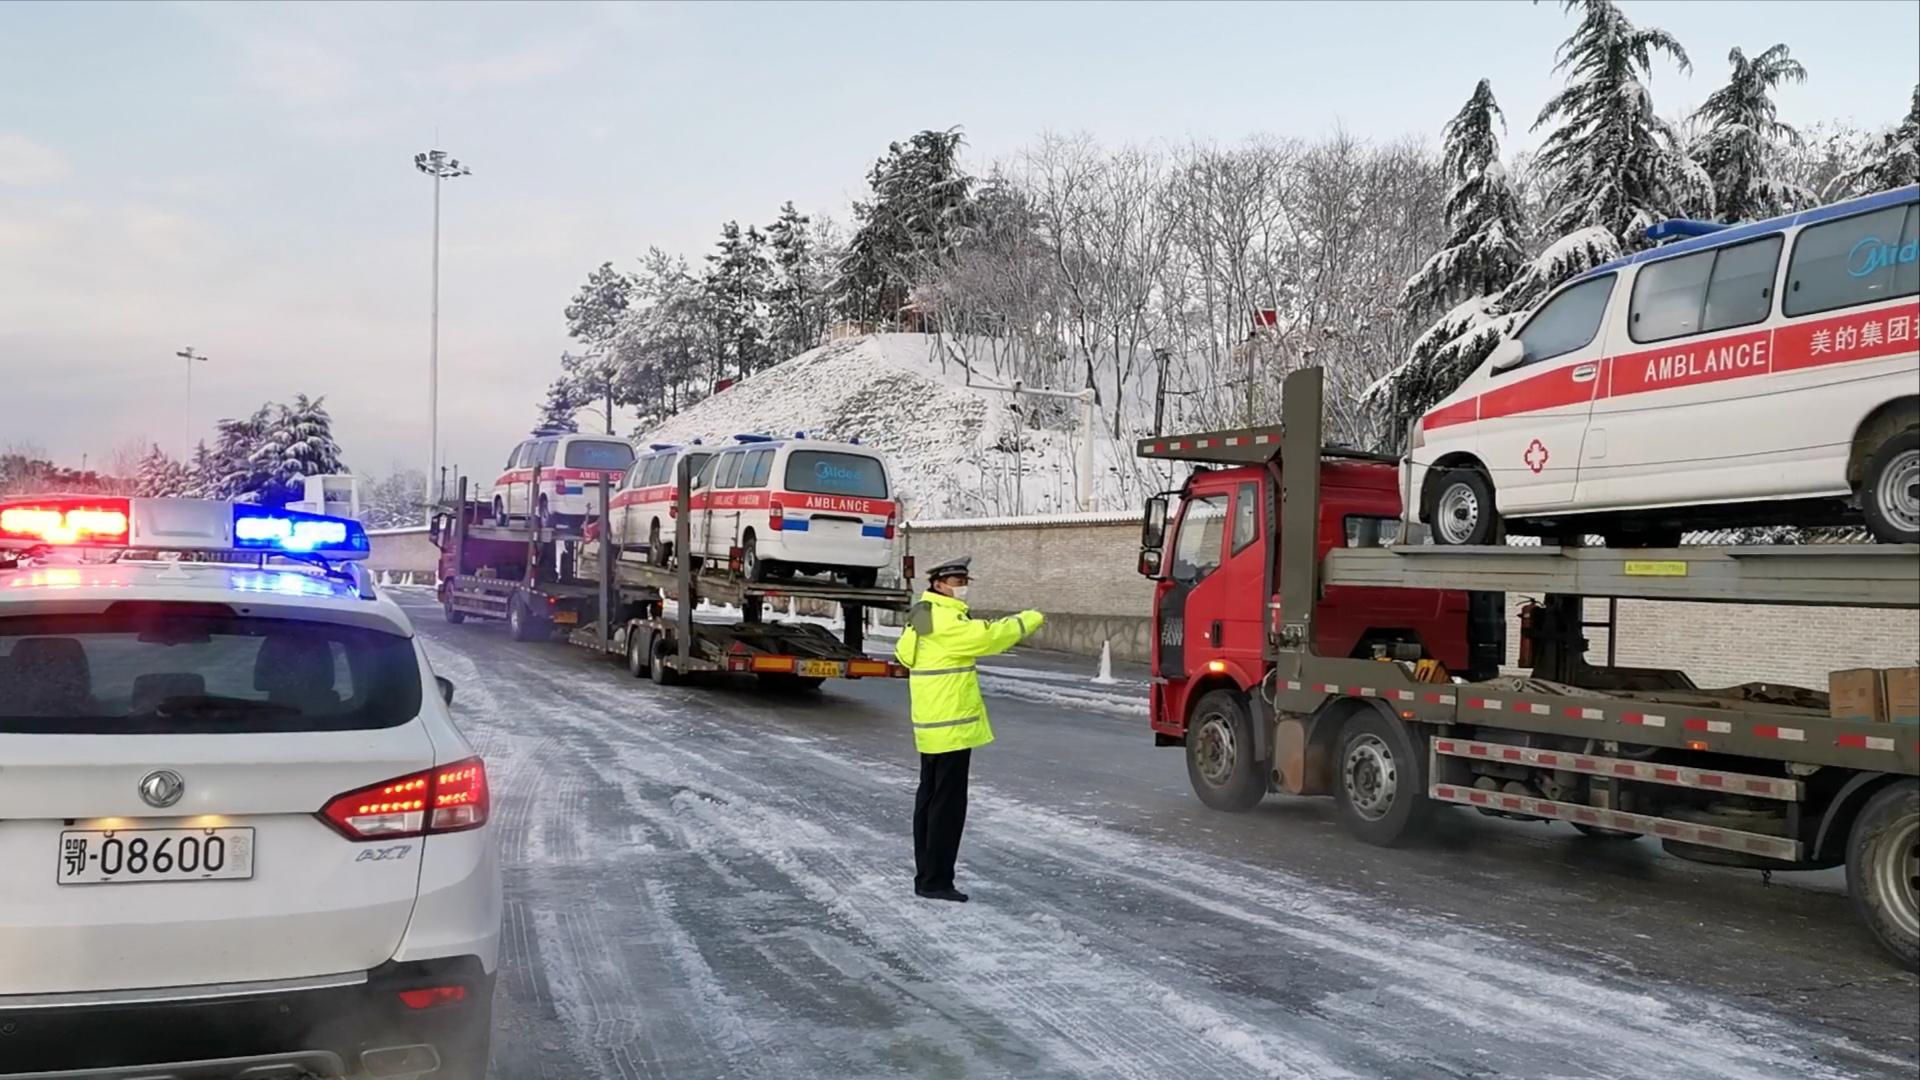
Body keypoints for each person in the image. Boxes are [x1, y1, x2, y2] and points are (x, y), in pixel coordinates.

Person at [893, 556, 1044, 902]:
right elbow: (987, 638)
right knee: (947, 807)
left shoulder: (922, 613)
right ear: (938, 584)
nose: (961, 586)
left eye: (963, 580)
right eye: (956, 581)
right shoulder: (945, 619)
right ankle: (936, 882)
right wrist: (1028, 619)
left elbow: (904, 655)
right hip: (952, 725)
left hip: (932, 724)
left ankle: (927, 877)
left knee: (929, 801)